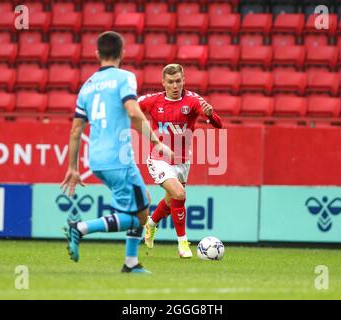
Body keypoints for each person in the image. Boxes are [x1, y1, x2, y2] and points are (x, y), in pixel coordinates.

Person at [61, 31, 171, 273]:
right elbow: (132, 111)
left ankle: (131, 262)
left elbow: (76, 130)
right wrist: (156, 141)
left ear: (97, 54)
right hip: (118, 159)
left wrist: (73, 167)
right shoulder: (125, 78)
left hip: (97, 160)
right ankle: (80, 228)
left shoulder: (87, 86)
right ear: (123, 53)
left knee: (143, 203)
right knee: (141, 217)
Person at [138, 64, 222, 258]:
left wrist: (210, 114)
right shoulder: (153, 101)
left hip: (182, 162)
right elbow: (131, 107)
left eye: (178, 81)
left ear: (184, 80)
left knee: (171, 200)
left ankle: (151, 224)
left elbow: (218, 124)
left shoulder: (193, 101)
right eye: (170, 82)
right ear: (163, 83)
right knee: (179, 193)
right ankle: (182, 243)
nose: (175, 85)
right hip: (158, 159)